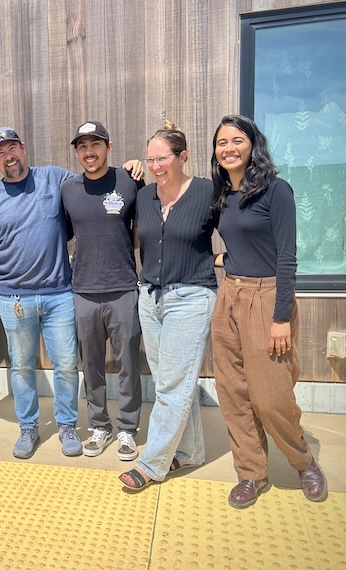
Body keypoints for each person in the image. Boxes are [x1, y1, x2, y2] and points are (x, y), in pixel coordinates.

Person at [0, 127, 143, 460]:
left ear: (24, 148)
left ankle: (66, 425)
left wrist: (131, 167)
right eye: (1, 153)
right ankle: (28, 428)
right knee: (21, 367)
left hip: (61, 294)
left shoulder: (54, 180)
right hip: (14, 298)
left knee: (66, 365)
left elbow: (95, 178)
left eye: (13, 148)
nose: (9, 156)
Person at [209, 114, 327, 508]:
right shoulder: (223, 193)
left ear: (252, 144)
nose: (228, 148)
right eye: (221, 142)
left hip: (267, 298)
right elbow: (237, 237)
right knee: (233, 393)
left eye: (236, 140)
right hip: (230, 296)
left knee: (271, 395)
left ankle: (302, 460)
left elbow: (286, 257)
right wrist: (229, 257)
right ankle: (251, 472)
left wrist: (280, 318)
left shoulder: (276, 191)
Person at [118, 122, 219, 490]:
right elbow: (113, 209)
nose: (157, 166)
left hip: (191, 298)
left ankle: (152, 463)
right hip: (151, 298)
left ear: (183, 157)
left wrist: (224, 259)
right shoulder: (144, 197)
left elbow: (240, 228)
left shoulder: (208, 192)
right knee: (168, 382)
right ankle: (190, 452)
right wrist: (128, 168)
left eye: (163, 159)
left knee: (172, 385)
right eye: (151, 159)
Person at [61, 121, 144, 461]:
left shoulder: (130, 181)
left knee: (127, 364)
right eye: (82, 146)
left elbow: (143, 230)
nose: (89, 151)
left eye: (96, 144)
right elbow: (64, 234)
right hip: (83, 291)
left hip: (123, 287)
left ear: (110, 147)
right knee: (91, 365)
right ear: (77, 152)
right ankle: (100, 426)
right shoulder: (68, 189)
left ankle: (127, 430)